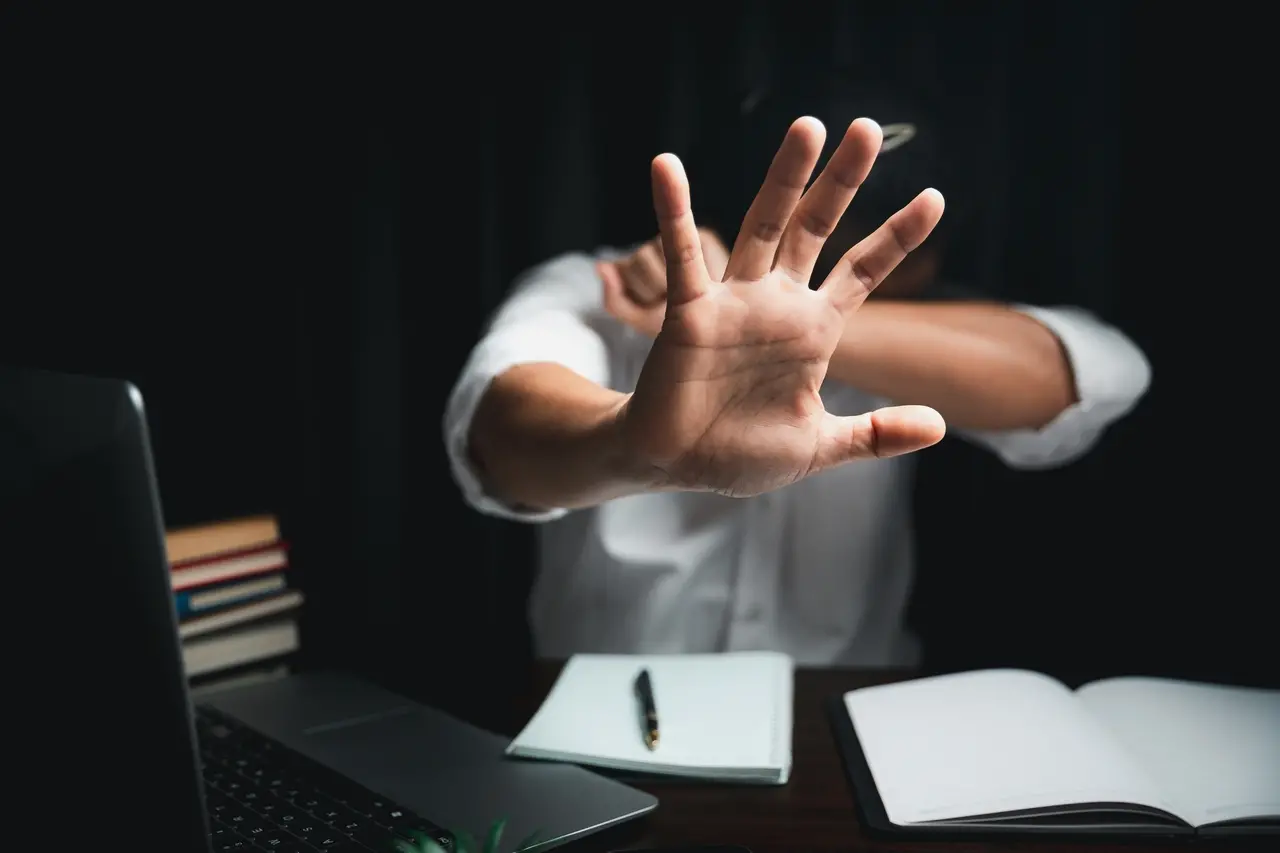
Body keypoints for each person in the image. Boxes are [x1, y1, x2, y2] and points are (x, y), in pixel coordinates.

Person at [443, 78, 1151, 667]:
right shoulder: (592, 286)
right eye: (828, 243)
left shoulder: (930, 322)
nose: (844, 270)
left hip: (847, 722)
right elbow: (497, 442)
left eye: (881, 259)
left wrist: (823, 324)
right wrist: (636, 446)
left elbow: (1092, 377)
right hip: (607, 715)